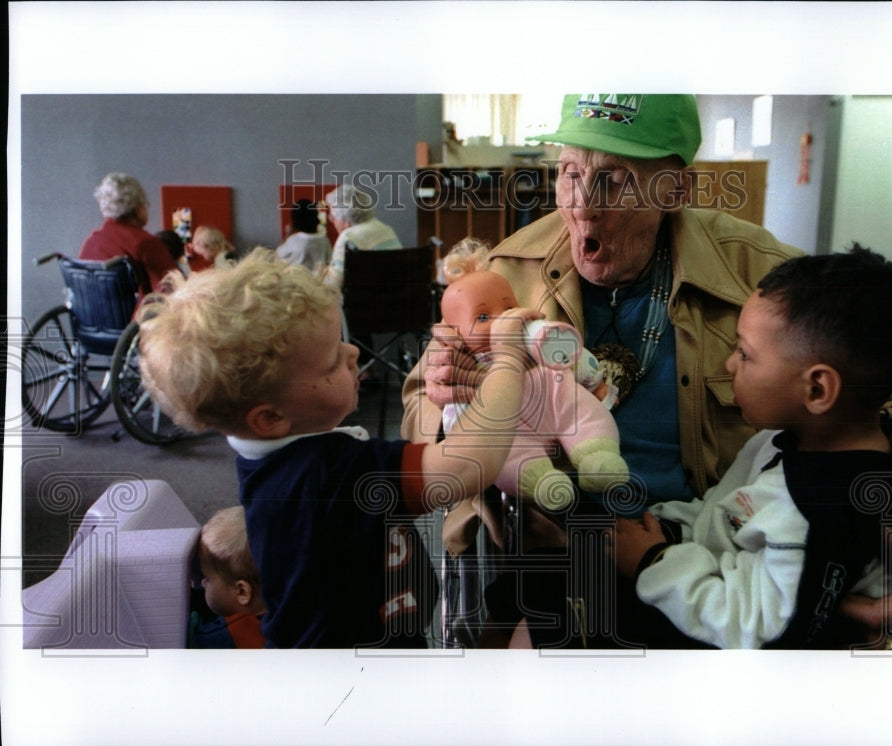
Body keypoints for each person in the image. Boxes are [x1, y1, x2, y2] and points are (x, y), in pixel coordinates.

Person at [400, 94, 892, 648]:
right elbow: (421, 405)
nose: (582, 207)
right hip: (545, 549)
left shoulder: (764, 277)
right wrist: (451, 409)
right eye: (568, 174)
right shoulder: (503, 278)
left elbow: (888, 391)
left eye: (614, 180)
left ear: (676, 191)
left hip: (715, 565)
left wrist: (879, 530)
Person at [137, 249, 539, 648]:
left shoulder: (277, 459)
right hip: (354, 683)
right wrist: (507, 361)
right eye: (331, 361)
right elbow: (468, 465)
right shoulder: (330, 473)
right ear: (271, 418)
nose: (354, 354)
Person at [612, 246, 892, 648]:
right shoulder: (781, 439)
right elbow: (724, 512)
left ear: (817, 389)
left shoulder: (824, 514)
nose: (730, 365)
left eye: (745, 354)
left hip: (719, 643)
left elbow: (753, 631)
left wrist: (654, 560)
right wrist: (665, 529)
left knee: (553, 620)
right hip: (693, 579)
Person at [439, 239, 629, 512]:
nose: (504, 320)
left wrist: (596, 385)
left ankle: (598, 457)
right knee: (501, 449)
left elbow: (575, 359)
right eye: (482, 318)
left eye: (508, 308)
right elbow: (457, 423)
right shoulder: (468, 372)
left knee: (581, 409)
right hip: (510, 427)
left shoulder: (536, 343)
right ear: (457, 335)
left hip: (557, 400)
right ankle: (540, 481)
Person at [79, 172, 177, 300]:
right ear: (137, 209)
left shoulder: (91, 243)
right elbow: (175, 288)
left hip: (91, 318)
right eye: (145, 204)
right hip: (137, 318)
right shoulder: (146, 243)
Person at [188, 505, 266, 649]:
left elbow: (183, 633)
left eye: (207, 577)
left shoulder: (227, 635)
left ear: (242, 591)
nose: (203, 583)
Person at [326, 184, 402, 291]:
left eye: (332, 217)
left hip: (361, 303)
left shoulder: (348, 237)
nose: (332, 221)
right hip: (393, 299)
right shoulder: (386, 229)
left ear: (345, 220)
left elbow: (333, 285)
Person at [275, 198, 333, 273]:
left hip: (299, 281)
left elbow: (278, 254)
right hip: (318, 282)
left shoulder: (293, 240)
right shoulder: (325, 241)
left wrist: (288, 234)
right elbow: (330, 261)